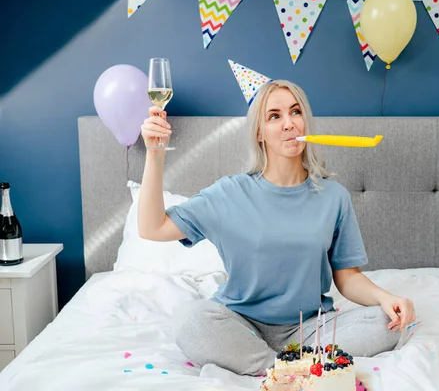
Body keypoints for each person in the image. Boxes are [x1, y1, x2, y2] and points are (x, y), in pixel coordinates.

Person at [137, 79, 416, 376]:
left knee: (387, 325)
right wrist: (155, 155)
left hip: (310, 329)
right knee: (189, 320)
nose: (288, 124)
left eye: (295, 113)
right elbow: (152, 227)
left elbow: (347, 278)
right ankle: (282, 367)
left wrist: (386, 298)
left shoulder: (334, 197)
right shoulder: (229, 193)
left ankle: (275, 365)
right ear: (259, 132)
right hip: (239, 324)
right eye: (274, 116)